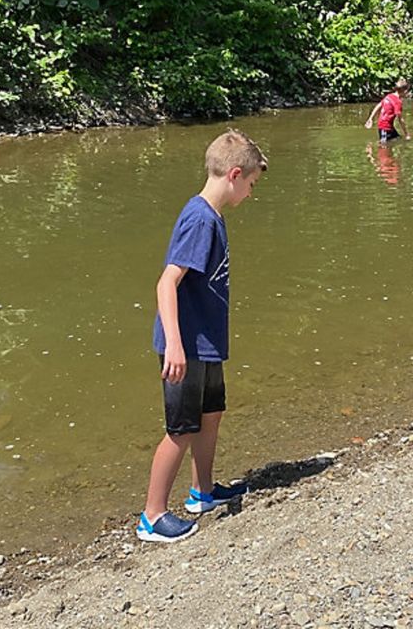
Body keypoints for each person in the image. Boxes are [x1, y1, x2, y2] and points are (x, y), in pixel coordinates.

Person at [137, 129, 267, 543]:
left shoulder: (214, 217)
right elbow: (165, 283)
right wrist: (174, 343)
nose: (250, 193)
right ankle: (153, 516)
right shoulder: (199, 219)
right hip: (186, 345)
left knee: (211, 414)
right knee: (182, 428)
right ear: (233, 175)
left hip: (207, 342)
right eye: (251, 184)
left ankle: (203, 493)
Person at [364, 79, 412, 144]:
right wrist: (407, 134)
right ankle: (370, 145)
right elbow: (400, 119)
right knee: (383, 145)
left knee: (398, 139)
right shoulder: (397, 102)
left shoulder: (389, 96)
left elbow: (378, 105)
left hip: (389, 126)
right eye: (408, 91)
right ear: (405, 91)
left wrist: (370, 118)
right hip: (385, 127)